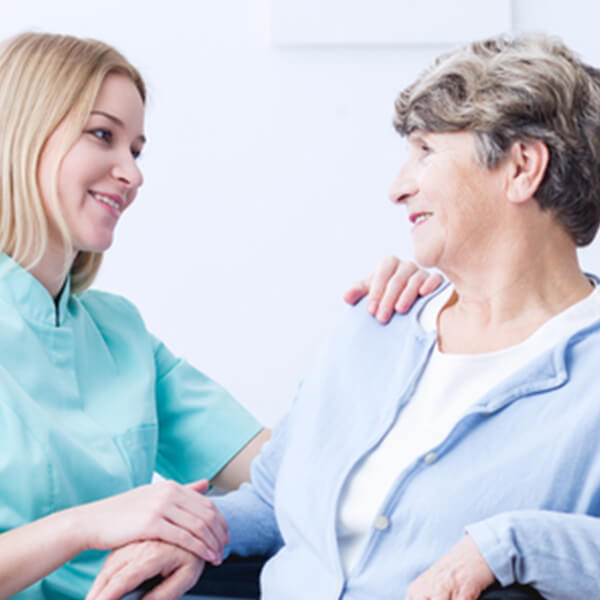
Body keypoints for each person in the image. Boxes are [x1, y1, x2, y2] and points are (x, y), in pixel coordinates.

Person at [90, 33, 600, 600]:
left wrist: (513, 543)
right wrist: (195, 533)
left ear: (522, 167)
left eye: (426, 150)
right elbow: (273, 498)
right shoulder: (380, 326)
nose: (398, 187)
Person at [0, 31, 436, 600]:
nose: (131, 174)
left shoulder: (119, 334)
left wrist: (403, 325)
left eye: (135, 150)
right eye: (102, 136)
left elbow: (292, 477)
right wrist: (87, 524)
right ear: (22, 135)